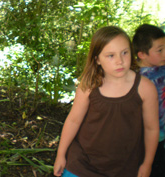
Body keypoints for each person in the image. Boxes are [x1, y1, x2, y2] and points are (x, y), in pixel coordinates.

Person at [54, 26, 159, 177]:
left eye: (124, 53)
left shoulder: (145, 88)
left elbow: (151, 129)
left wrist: (147, 164)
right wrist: (61, 155)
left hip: (124, 167)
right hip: (81, 163)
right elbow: (73, 121)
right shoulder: (89, 85)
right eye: (110, 55)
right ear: (97, 59)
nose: (120, 61)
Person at [132, 23, 165, 177]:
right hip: (146, 141)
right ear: (142, 54)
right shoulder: (136, 80)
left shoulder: (162, 68)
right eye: (160, 50)